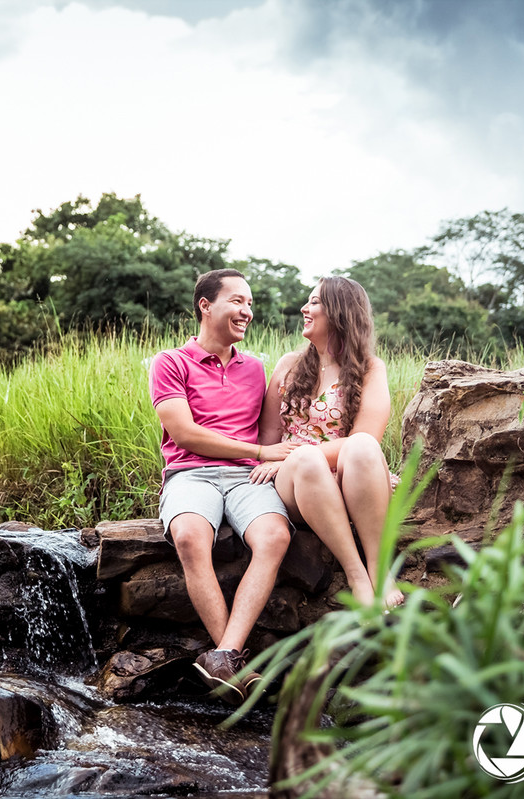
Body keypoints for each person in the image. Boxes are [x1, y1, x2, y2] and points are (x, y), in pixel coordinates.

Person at [149, 268, 299, 705]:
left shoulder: (255, 368)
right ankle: (232, 658)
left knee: (274, 536)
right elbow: (184, 434)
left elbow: (281, 427)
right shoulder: (171, 362)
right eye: (237, 301)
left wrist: (266, 457)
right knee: (191, 536)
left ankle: (224, 657)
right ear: (206, 305)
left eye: (250, 303)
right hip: (190, 473)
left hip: (244, 478)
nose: (247, 311)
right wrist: (257, 453)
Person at [251, 276, 405, 610]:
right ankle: (356, 574)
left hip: (347, 477)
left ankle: (379, 569)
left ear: (340, 312)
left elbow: (368, 437)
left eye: (315, 302)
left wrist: (315, 455)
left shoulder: (369, 369)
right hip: (296, 479)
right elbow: (267, 439)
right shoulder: (289, 365)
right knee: (307, 460)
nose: (305, 309)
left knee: (363, 445)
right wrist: (282, 459)